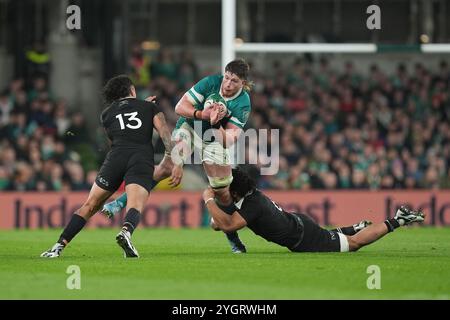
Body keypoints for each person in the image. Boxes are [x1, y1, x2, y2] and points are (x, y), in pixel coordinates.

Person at [102, 59, 252, 253]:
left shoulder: (243, 103)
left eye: (234, 81)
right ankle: (119, 203)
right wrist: (203, 115)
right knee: (166, 167)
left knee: (222, 191)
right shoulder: (210, 83)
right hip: (189, 126)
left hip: (214, 138)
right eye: (227, 78)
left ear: (243, 83)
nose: (228, 84)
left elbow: (228, 141)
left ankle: (232, 237)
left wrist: (216, 123)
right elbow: (180, 108)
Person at [40, 75, 181, 258]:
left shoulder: (106, 114)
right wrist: (174, 159)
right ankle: (126, 232)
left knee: (89, 205)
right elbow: (164, 133)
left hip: (115, 158)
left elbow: (114, 138)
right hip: (140, 158)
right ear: (131, 90)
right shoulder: (150, 107)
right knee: (135, 204)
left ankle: (58, 246)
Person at [203, 167, 425, 253]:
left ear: (233, 191)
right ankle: (351, 227)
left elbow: (228, 224)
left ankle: (398, 220)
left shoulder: (251, 205)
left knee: (354, 245)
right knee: (328, 235)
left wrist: (208, 200)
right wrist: (217, 213)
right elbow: (219, 224)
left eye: (223, 186)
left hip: (303, 238)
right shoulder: (247, 198)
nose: (219, 188)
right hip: (299, 225)